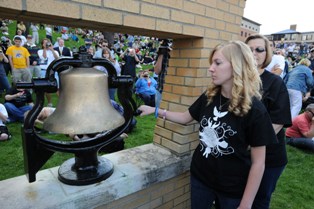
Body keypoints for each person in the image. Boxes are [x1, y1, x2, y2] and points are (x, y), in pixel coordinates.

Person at [138, 41, 277, 209]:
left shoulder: (255, 110)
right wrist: (156, 110)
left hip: (232, 188)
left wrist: (246, 204)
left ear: (237, 66)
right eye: (212, 63)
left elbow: (258, 163)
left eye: (217, 63)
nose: (211, 68)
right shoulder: (210, 96)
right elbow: (184, 117)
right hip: (200, 178)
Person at [245, 34, 292, 209]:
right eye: (249, 49)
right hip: (241, 154)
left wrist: (249, 144)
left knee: (259, 200)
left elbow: (278, 122)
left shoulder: (275, 83)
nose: (254, 53)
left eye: (259, 49)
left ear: (267, 54)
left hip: (270, 156)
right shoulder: (237, 80)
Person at [37, 38, 59, 107]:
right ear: (42, 44)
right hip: (44, 71)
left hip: (53, 71)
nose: (47, 44)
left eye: (48, 43)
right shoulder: (40, 51)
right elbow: (44, 57)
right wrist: (44, 48)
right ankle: (50, 103)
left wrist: (52, 49)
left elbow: (57, 58)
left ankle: (62, 102)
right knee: (46, 88)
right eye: (45, 43)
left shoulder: (55, 51)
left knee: (57, 87)